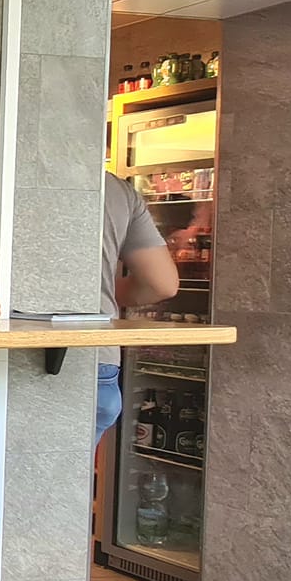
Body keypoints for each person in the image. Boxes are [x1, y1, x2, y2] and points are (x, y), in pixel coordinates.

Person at [97, 172, 178, 446]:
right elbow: (162, 284)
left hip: (13, 355)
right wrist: (99, 295)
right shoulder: (117, 189)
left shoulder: (2, 167)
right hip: (99, 359)